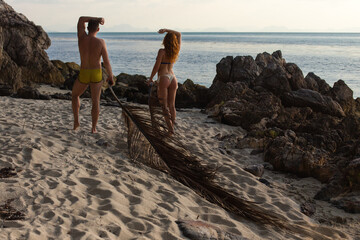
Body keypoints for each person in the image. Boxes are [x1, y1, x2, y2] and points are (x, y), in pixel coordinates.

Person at [72, 16, 114, 133]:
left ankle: (76, 122)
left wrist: (97, 18)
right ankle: (93, 128)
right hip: (96, 73)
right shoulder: (101, 42)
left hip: (84, 72)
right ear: (98, 29)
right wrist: (110, 76)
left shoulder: (81, 38)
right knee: (95, 101)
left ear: (87, 28)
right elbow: (106, 62)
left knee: (75, 95)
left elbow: (80, 19)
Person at [148, 28, 181, 134]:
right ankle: (172, 126)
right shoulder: (175, 50)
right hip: (173, 78)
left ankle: (170, 129)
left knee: (164, 106)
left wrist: (150, 78)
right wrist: (167, 30)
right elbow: (179, 34)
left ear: (165, 40)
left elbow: (156, 66)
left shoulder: (162, 51)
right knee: (172, 105)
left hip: (164, 78)